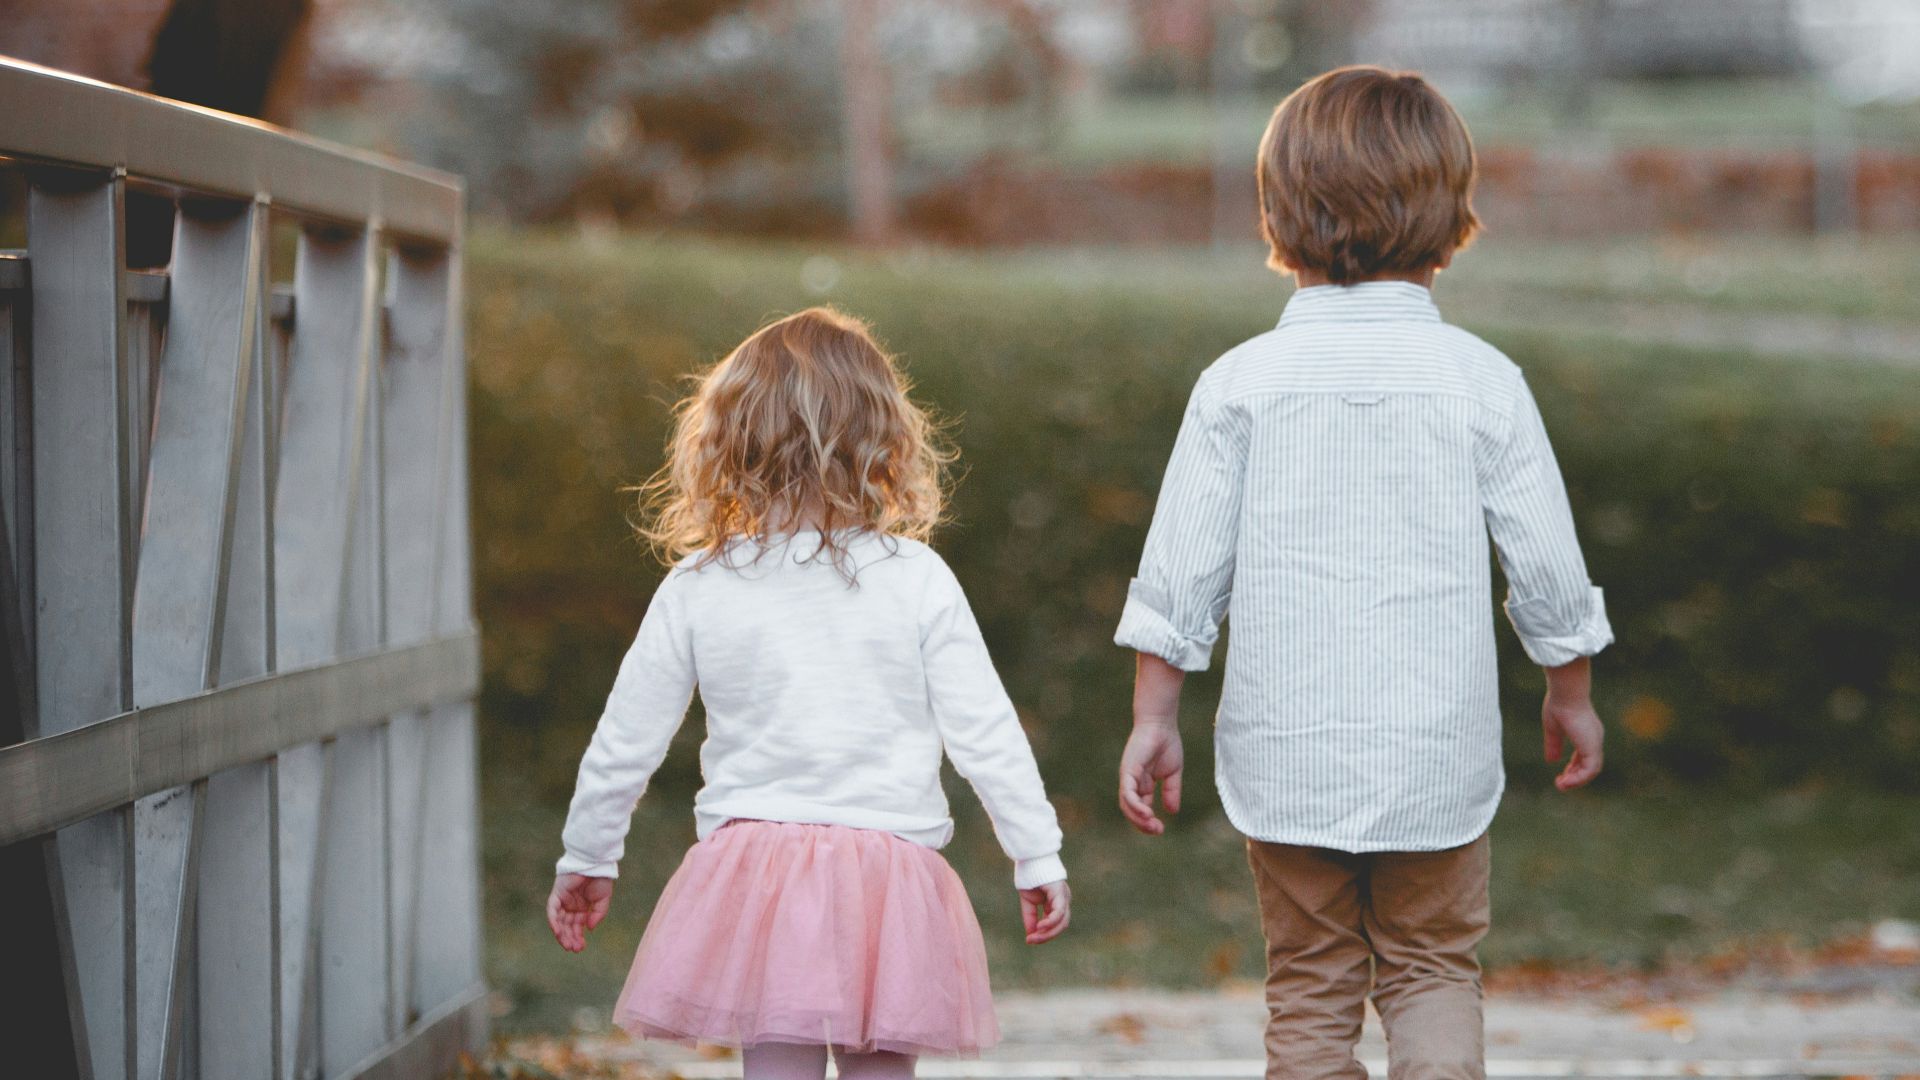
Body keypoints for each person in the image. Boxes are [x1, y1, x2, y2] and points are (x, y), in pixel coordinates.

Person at [1113, 66, 1613, 1080]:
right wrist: (1572, 693)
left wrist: (1154, 718)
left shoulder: (1239, 385)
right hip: (1437, 759)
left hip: (1286, 756)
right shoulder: (1479, 382)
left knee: (1307, 980)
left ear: (1281, 209)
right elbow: (1549, 568)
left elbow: (1178, 574)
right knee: (1433, 968)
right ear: (1449, 211)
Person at [548, 307, 1070, 1080]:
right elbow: (985, 732)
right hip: (889, 875)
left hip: (759, 878)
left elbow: (627, 737)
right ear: (883, 439)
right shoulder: (916, 577)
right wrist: (1036, 852)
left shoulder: (700, 584)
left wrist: (589, 853)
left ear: (728, 439)